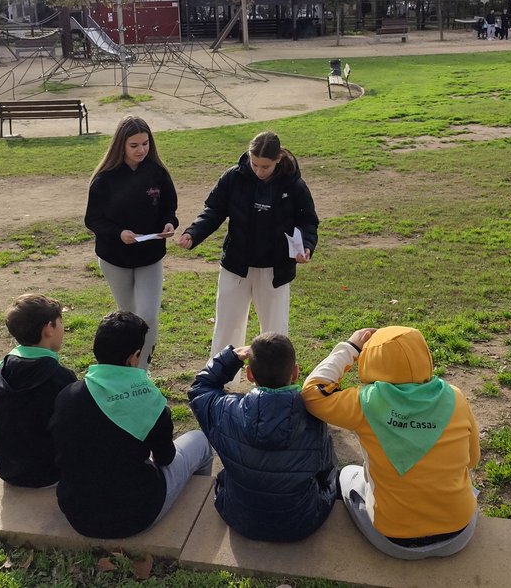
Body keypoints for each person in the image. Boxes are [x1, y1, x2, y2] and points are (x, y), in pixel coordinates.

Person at [302, 326, 480, 560]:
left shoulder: (364, 403)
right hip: (459, 533)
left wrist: (351, 346)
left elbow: (312, 393)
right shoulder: (455, 397)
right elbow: (472, 460)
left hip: (395, 540)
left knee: (348, 474)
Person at [49, 311, 212, 538]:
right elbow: (166, 458)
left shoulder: (67, 394)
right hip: (136, 515)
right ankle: (201, 507)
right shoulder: (151, 401)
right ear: (134, 357)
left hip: (77, 512)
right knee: (201, 441)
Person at [177, 131, 319, 356]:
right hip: (236, 264)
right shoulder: (233, 177)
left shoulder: (294, 185)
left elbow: (308, 221)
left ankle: (273, 376)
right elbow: (214, 210)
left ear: (278, 158)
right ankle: (222, 375)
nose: (259, 171)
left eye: (265, 167)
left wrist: (307, 246)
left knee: (275, 333)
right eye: (255, 165)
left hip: (275, 268)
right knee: (227, 327)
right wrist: (193, 233)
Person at [188, 332, 337, 542]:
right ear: (295, 372)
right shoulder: (314, 415)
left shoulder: (225, 410)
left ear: (249, 374)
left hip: (237, 516)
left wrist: (230, 358)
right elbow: (326, 469)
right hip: (302, 523)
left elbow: (199, 388)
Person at [84, 116, 178, 370]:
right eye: (134, 145)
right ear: (121, 145)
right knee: (129, 318)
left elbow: (169, 208)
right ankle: (126, 369)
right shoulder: (105, 179)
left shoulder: (158, 173)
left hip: (150, 256)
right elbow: (93, 219)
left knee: (147, 316)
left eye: (145, 144)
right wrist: (119, 233)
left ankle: (142, 372)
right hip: (115, 259)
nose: (141, 150)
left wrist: (169, 224)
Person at [0, 293, 77, 488]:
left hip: (7, 469)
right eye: (60, 322)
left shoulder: (2, 368)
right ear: (49, 329)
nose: (63, 328)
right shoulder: (61, 377)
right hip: (48, 473)